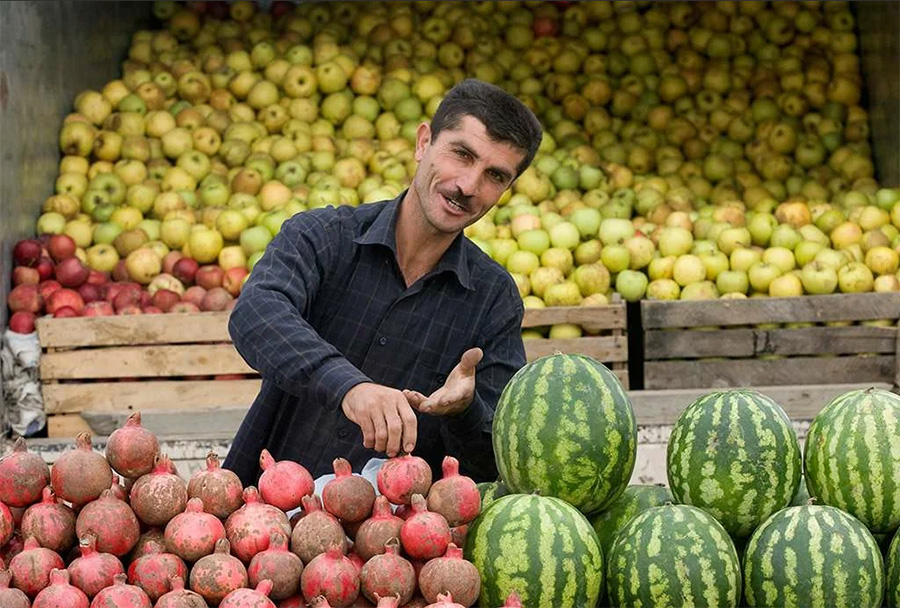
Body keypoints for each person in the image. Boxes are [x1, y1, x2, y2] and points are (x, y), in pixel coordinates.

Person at [223, 78, 543, 486]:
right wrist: (350, 388)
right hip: (260, 517)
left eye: (494, 176)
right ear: (423, 142)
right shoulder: (322, 236)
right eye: (461, 154)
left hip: (394, 541)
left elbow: (494, 465)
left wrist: (465, 412)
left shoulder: (494, 300)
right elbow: (256, 314)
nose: (468, 186)